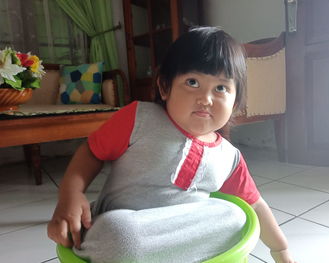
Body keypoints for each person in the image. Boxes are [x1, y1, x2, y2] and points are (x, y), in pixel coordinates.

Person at [47, 27, 296, 263]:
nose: (206, 99)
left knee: (238, 217)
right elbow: (91, 151)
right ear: (165, 87)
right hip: (124, 228)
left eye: (221, 88)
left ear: (236, 101)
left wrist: (280, 248)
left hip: (176, 234)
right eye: (192, 83)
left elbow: (255, 203)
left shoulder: (229, 156)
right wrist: (70, 195)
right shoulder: (139, 119)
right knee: (119, 234)